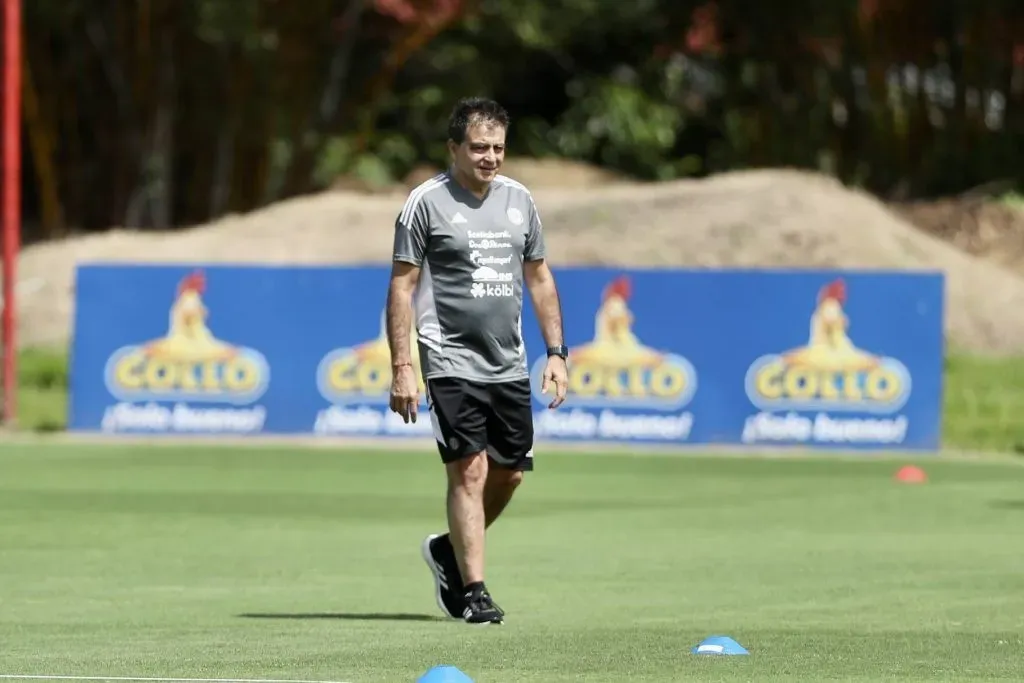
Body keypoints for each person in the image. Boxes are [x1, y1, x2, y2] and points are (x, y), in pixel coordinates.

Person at [385, 97, 569, 625]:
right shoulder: (425, 203)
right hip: (447, 358)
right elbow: (403, 286)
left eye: (498, 148)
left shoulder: (520, 201)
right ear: (454, 148)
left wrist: (556, 353)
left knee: (507, 475)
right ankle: (474, 591)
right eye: (479, 147)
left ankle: (448, 549)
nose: (490, 157)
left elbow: (538, 277)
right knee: (470, 469)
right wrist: (404, 366)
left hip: (508, 362)